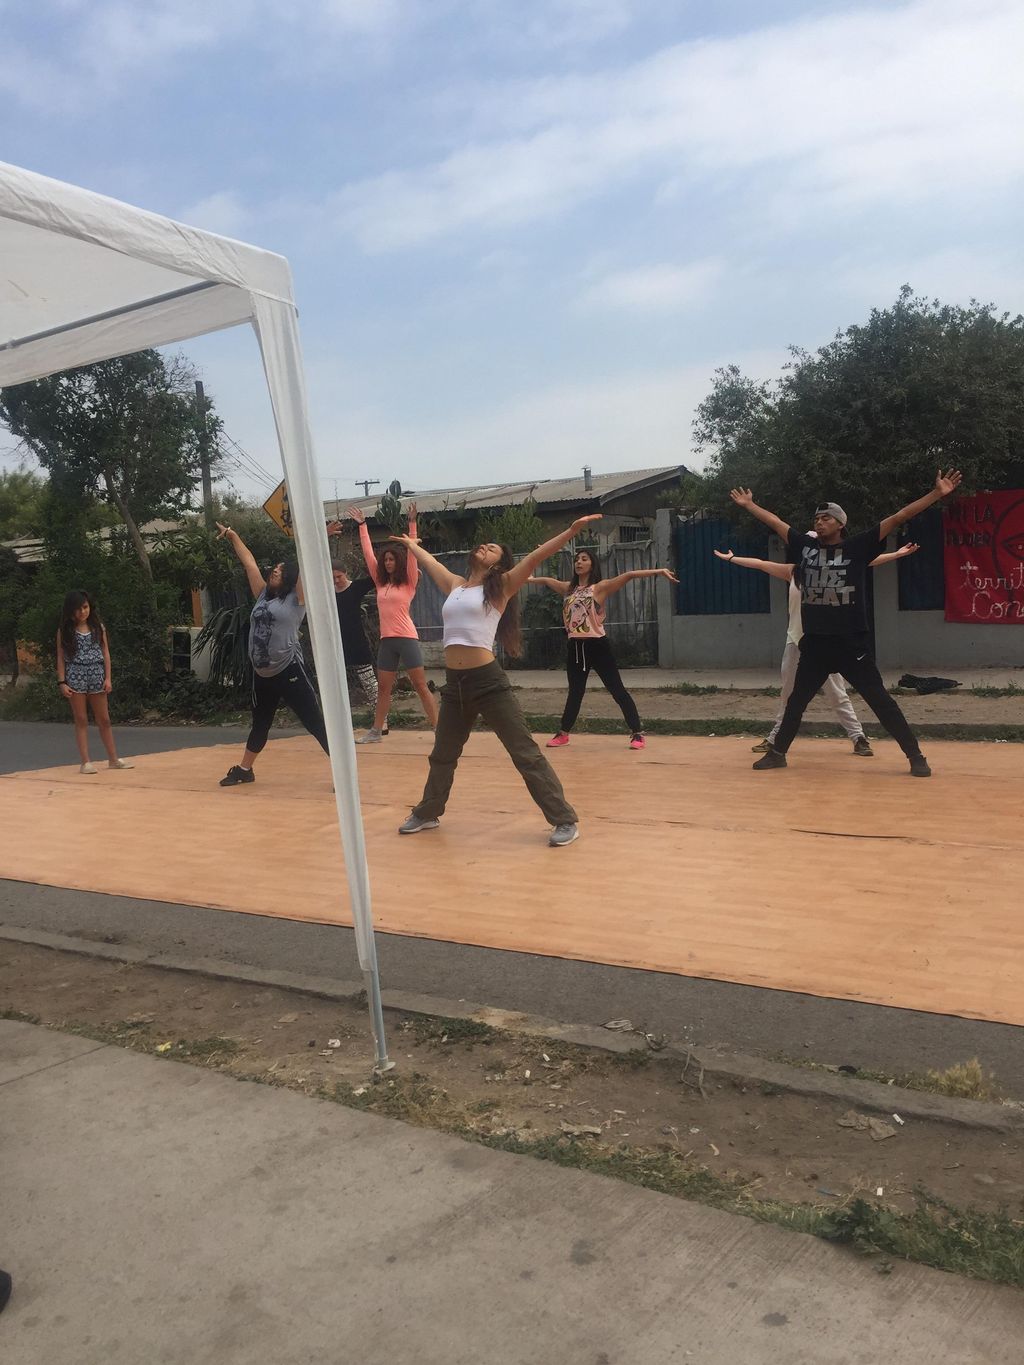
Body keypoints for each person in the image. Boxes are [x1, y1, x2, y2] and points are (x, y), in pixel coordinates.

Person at [729, 469, 962, 777]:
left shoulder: (858, 547)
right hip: (815, 645)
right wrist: (749, 505)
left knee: (881, 702)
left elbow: (899, 516)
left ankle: (915, 756)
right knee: (796, 702)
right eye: (816, 519)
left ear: (840, 524)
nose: (819, 522)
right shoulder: (805, 547)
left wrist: (936, 495)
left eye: (826, 518)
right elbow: (775, 522)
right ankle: (778, 753)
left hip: (851, 644)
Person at [390, 517, 603, 847]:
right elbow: (430, 562)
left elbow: (536, 558)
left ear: (500, 564)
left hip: (488, 683)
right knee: (443, 754)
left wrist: (571, 531)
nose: (484, 547)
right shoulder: (456, 585)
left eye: (492, 549)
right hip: (455, 684)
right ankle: (428, 811)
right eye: (483, 545)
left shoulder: (502, 585)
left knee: (524, 753)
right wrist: (412, 546)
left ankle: (564, 819)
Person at [714, 541, 919, 756]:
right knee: (789, 695)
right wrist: (731, 558)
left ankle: (858, 737)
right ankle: (775, 738)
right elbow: (761, 564)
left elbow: (868, 560)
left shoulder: (838, 571)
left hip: (824, 643)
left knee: (838, 694)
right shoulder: (793, 572)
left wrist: (896, 554)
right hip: (796, 640)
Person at [214, 521, 329, 787]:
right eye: (274, 568)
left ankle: (344, 770)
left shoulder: (296, 600)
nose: (274, 570)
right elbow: (249, 563)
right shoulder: (262, 594)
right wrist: (233, 534)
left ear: (289, 578)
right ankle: (245, 770)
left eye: (280, 569)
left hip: (289, 670)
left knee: (315, 723)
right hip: (262, 674)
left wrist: (316, 534)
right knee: (260, 724)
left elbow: (308, 564)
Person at [530, 549, 679, 750]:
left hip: (598, 646)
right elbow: (547, 580)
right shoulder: (569, 589)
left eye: (584, 559)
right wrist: (529, 579)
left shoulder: (600, 587)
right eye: (576, 560)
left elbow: (628, 576)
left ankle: (637, 734)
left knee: (617, 690)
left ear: (592, 564)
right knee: (575, 692)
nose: (578, 562)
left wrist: (659, 571)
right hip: (576, 647)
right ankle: (563, 733)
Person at [347, 503, 438, 743]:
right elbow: (368, 554)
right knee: (384, 689)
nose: (388, 563)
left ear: (397, 562)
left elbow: (412, 555)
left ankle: (439, 729)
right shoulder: (380, 583)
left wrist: (412, 525)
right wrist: (363, 525)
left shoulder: (408, 582)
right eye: (385, 560)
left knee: (420, 685)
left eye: (391, 559)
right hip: (387, 641)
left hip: (407, 638)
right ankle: (376, 731)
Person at [56, 590, 135, 775]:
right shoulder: (64, 631)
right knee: (81, 719)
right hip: (75, 676)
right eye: (77, 609)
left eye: (85, 607)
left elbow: (106, 653)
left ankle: (113, 759)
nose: (82, 612)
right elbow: (60, 657)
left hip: (97, 674)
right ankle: (85, 762)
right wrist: (62, 682)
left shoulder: (98, 628)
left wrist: (108, 678)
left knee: (104, 719)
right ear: (70, 611)